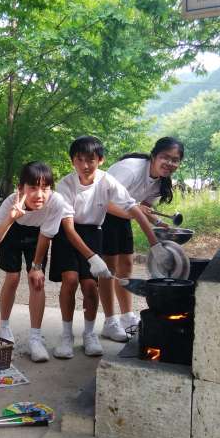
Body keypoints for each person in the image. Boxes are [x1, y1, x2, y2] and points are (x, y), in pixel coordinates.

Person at [49, 135, 171, 358]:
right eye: (79, 160)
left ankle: (89, 334)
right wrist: (92, 257)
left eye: (91, 160)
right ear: (72, 161)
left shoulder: (107, 181)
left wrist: (155, 245)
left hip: (93, 233)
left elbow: (134, 209)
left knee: (90, 286)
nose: (85, 166)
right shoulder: (65, 184)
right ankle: (66, 336)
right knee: (71, 280)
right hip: (67, 235)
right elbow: (68, 228)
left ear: (101, 160)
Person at [99, 136, 184, 341]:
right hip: (101, 214)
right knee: (108, 270)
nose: (170, 163)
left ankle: (127, 317)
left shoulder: (160, 180)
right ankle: (110, 322)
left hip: (123, 215)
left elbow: (144, 206)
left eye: (175, 160)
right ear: (154, 156)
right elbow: (102, 200)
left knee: (126, 265)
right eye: (165, 157)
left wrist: (158, 222)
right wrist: (134, 212)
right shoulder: (130, 170)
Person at [0, 162, 64, 363]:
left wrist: (36, 267)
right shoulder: (10, 202)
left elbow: (46, 235)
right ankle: (4, 327)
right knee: (12, 277)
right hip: (13, 229)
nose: (39, 194)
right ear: (20, 188)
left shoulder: (56, 202)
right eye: (33, 187)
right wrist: (10, 218)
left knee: (37, 282)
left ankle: (35, 338)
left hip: (38, 235)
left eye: (45, 188)